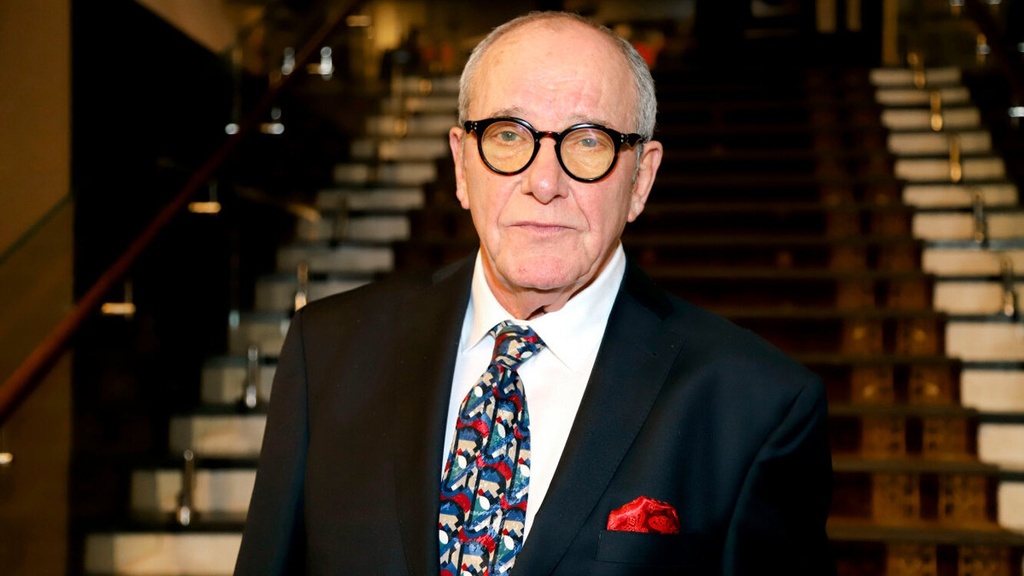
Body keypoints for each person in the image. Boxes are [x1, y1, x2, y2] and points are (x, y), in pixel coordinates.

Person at [234, 10, 835, 575]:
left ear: (641, 179)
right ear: (461, 164)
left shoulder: (756, 405)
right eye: (508, 135)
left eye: (589, 141)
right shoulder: (327, 352)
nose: (544, 182)